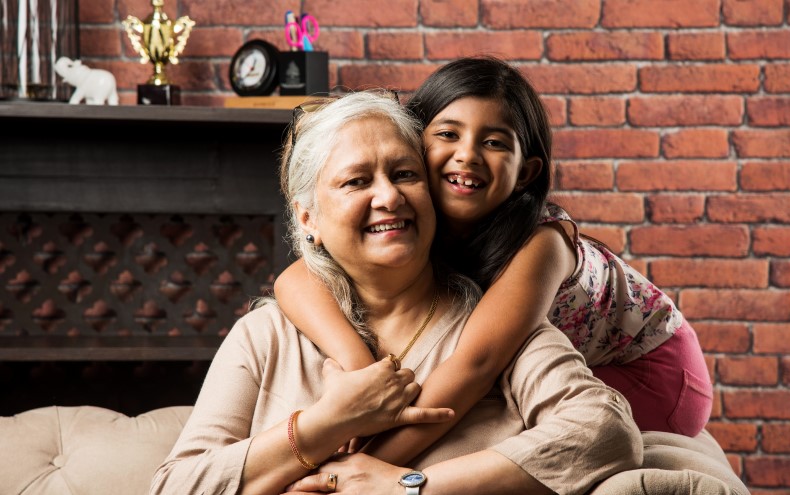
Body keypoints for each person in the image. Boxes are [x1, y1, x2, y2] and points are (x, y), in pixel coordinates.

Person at [151, 91, 642, 495]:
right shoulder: (265, 337)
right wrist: (325, 423)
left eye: (405, 174)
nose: (388, 196)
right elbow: (174, 487)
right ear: (308, 221)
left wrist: (410, 486)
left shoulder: (495, 327)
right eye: (356, 181)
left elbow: (606, 433)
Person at [273, 56, 713, 466]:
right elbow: (294, 280)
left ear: (526, 172)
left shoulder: (544, 245)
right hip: (555, 358)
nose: (467, 154)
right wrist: (362, 371)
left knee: (500, 420)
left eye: (495, 142)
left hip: (654, 372)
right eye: (447, 134)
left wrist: (359, 468)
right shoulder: (414, 213)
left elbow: (476, 366)